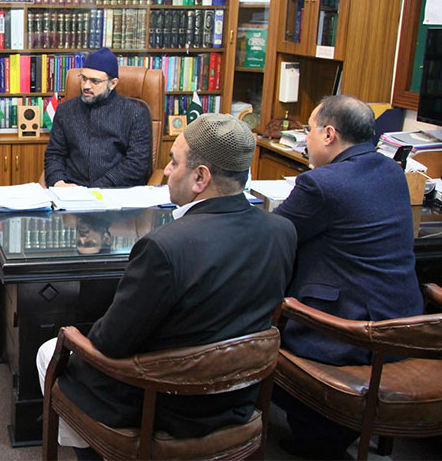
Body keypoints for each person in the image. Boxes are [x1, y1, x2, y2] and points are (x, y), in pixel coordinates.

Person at [37, 114, 296, 457]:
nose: (168, 170)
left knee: (50, 351)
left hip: (162, 405)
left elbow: (110, 343)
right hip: (238, 396)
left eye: (174, 162)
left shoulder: (164, 246)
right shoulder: (282, 231)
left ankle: (99, 453)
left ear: (200, 177)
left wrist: (80, 336)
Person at [272, 95, 423, 457]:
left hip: (347, 335)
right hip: (403, 326)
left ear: (328, 134)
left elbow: (275, 232)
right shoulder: (392, 171)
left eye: (308, 129)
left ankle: (321, 435)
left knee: (251, 332)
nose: (305, 137)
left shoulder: (322, 184)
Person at [44, 47, 152, 188]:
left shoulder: (135, 114)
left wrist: (97, 188)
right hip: (73, 192)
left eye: (95, 81)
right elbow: (54, 154)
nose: (86, 86)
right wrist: (58, 183)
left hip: (116, 193)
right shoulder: (66, 110)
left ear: (112, 83)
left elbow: (136, 164)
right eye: (83, 78)